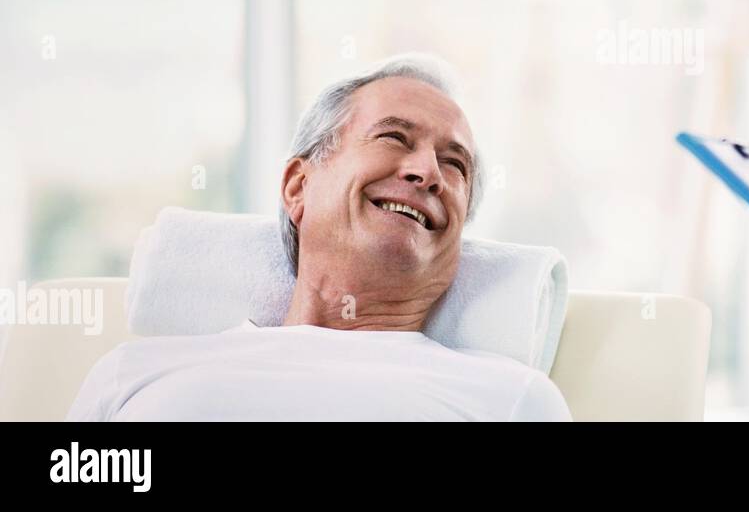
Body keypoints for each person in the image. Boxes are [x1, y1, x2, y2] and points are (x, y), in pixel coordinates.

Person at [68, 55, 571, 421]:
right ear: (298, 185)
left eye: (454, 163)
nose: (427, 172)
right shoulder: (134, 377)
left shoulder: (512, 401)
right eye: (394, 137)